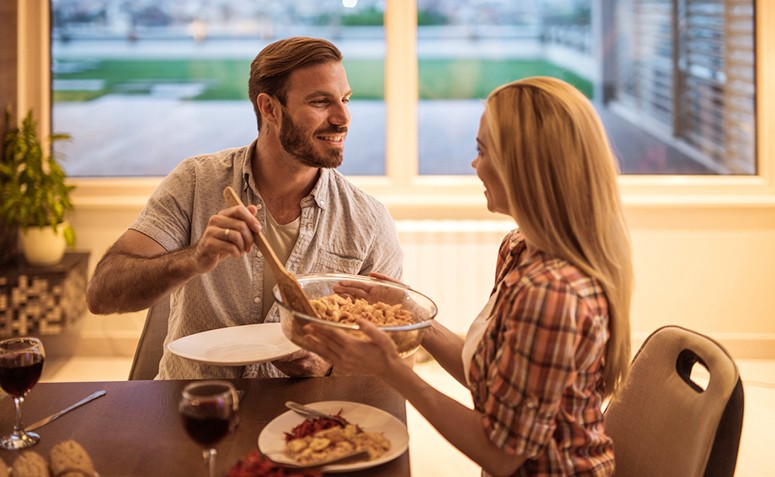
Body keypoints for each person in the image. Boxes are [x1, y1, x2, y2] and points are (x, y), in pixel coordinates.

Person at [303, 77, 634, 476]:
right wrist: (411, 315)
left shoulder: (552, 293)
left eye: (482, 151)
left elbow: (501, 454)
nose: (474, 164)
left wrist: (392, 371)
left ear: (526, 167)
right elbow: (491, 381)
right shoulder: (519, 248)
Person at [86, 37, 403, 380]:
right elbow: (102, 295)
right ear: (269, 108)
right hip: (193, 409)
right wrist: (193, 259)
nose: (343, 118)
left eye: (345, 99)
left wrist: (325, 365)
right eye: (321, 102)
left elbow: (394, 358)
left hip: (304, 421)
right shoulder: (195, 182)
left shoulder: (368, 221)